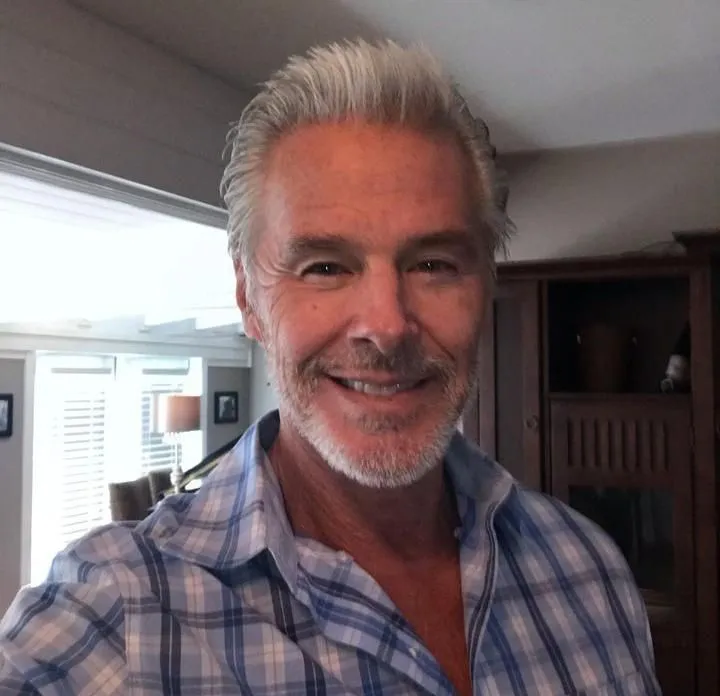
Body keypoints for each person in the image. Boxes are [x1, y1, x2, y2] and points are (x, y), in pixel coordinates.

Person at [0, 40, 660, 695]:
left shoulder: (587, 569)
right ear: (249, 300)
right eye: (324, 267)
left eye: (433, 264)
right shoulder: (118, 620)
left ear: (485, 284)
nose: (387, 326)